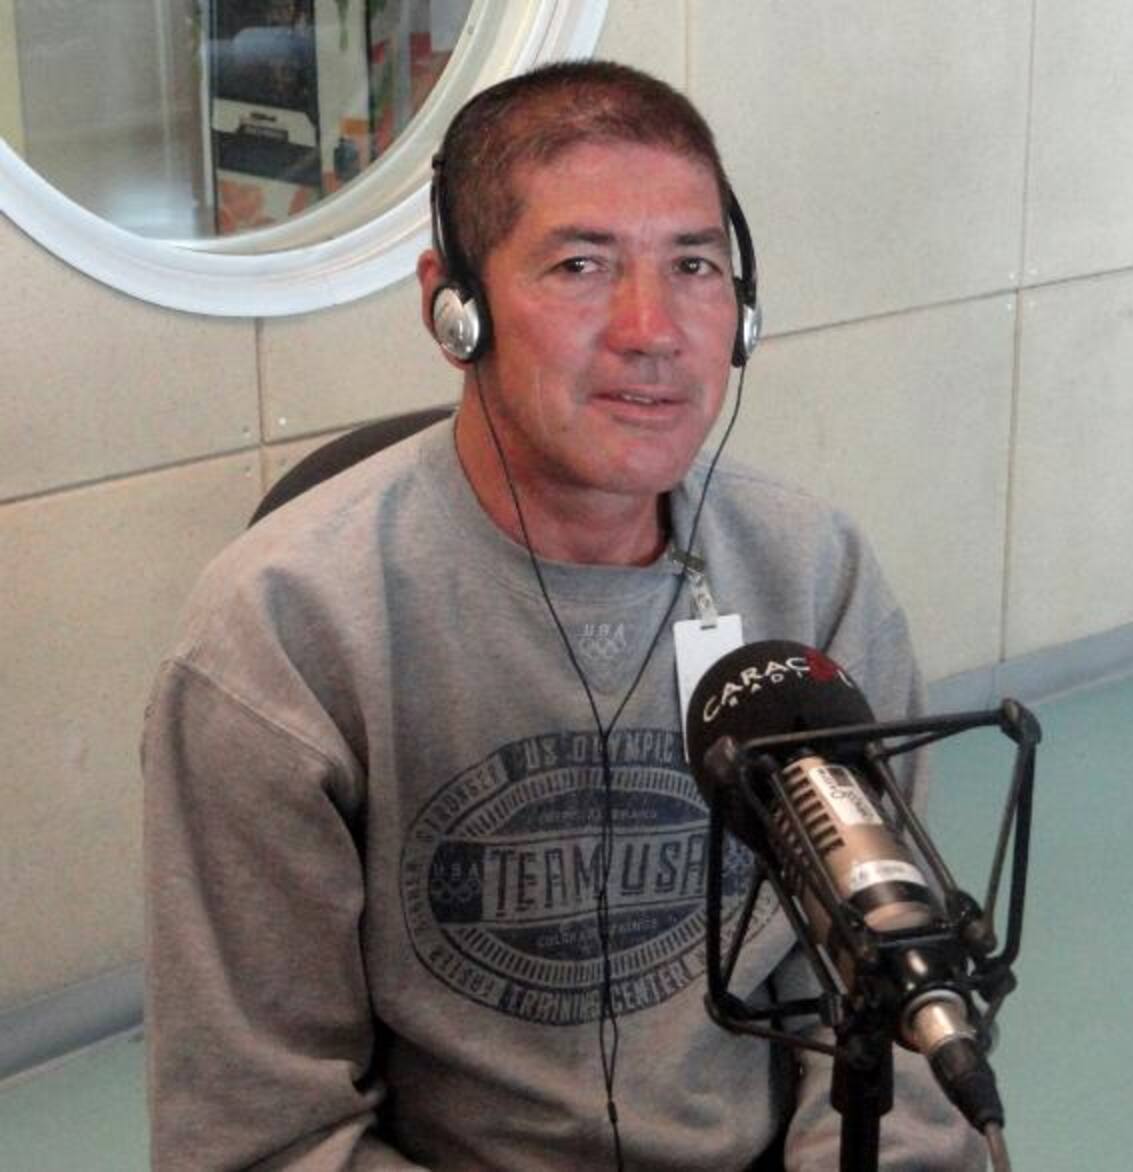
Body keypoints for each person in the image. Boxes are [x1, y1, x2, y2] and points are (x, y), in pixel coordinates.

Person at [142, 61, 985, 1170]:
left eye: (694, 265)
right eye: (581, 265)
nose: (653, 328)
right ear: (455, 307)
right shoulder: (283, 634)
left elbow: (893, 1012)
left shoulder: (812, 575)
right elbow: (263, 1131)